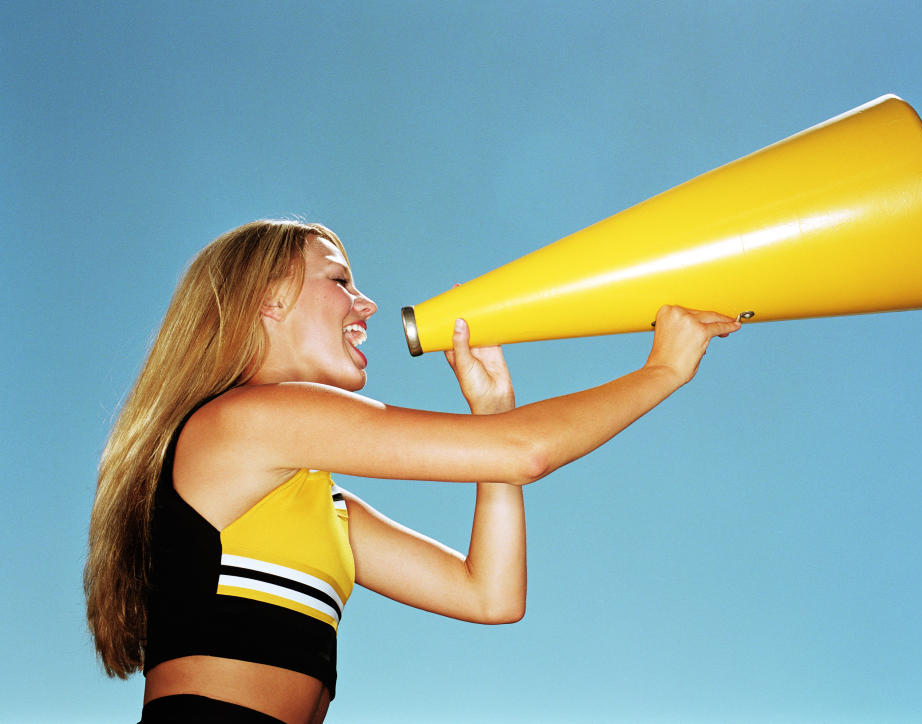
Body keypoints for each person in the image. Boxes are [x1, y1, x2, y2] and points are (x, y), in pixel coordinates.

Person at [84, 219, 739, 723]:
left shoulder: (319, 503)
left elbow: (491, 595)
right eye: (340, 281)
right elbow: (525, 451)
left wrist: (494, 412)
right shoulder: (249, 419)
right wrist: (662, 371)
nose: (365, 305)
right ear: (269, 300)